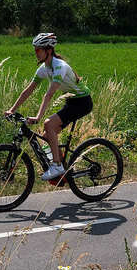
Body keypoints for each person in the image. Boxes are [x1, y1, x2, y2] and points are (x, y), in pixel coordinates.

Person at [5, 33, 93, 181]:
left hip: (82, 102)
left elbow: (49, 94)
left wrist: (39, 117)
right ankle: (63, 170)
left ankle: (57, 165)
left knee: (48, 124)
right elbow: (28, 90)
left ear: (49, 50)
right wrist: (12, 110)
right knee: (47, 137)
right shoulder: (44, 69)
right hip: (71, 102)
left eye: (39, 50)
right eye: (35, 50)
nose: (36, 53)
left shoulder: (60, 67)